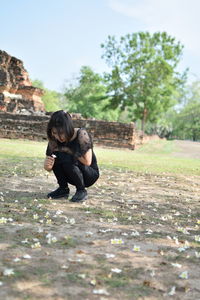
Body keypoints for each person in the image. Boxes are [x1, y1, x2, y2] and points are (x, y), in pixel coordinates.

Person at [44, 110, 99, 202]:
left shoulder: (81, 134)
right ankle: (63, 189)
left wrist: (68, 150)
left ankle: (81, 190)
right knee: (57, 155)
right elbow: (50, 166)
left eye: (61, 133)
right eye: (54, 133)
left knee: (67, 157)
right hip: (70, 174)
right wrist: (47, 166)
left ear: (68, 128)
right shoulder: (54, 139)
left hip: (89, 174)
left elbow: (87, 162)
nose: (58, 137)